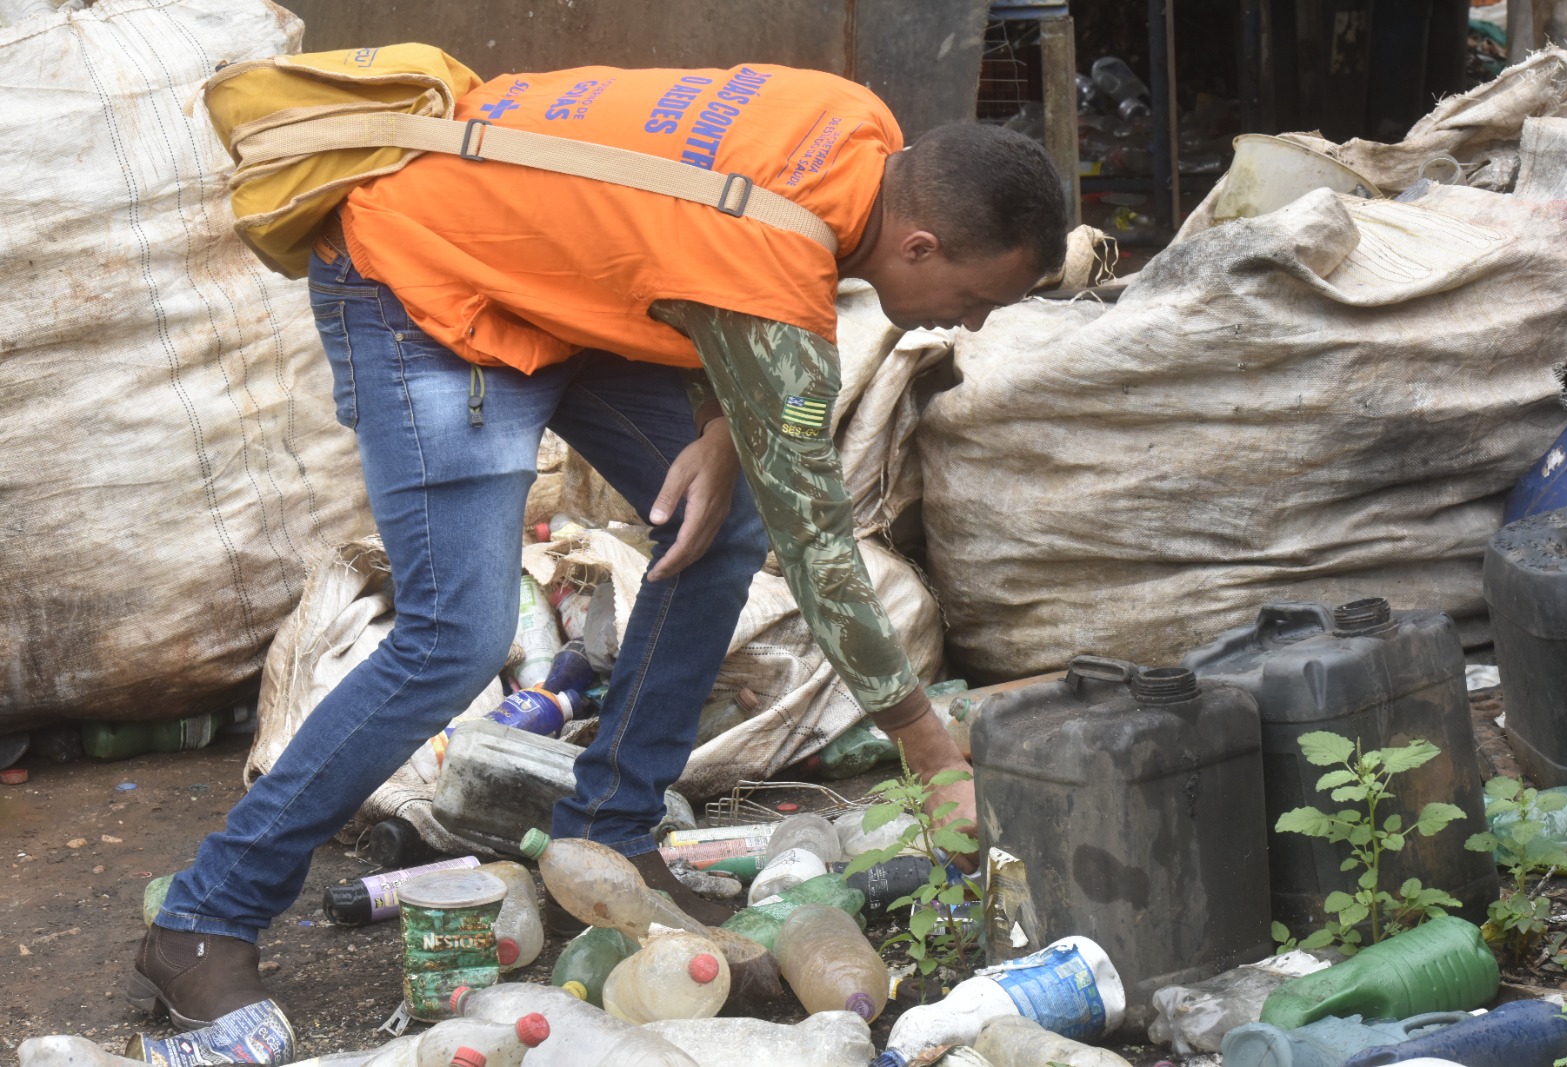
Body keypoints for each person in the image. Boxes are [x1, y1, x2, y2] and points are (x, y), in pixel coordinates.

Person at [130, 58, 1068, 1029]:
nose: (973, 321)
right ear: (917, 245)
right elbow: (819, 541)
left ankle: (609, 831)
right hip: (424, 281)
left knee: (725, 516)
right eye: (974, 297)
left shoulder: (858, 124)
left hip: (549, 284)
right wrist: (926, 745)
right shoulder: (779, 284)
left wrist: (721, 431)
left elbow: (675, 234)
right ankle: (205, 917)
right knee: (456, 633)